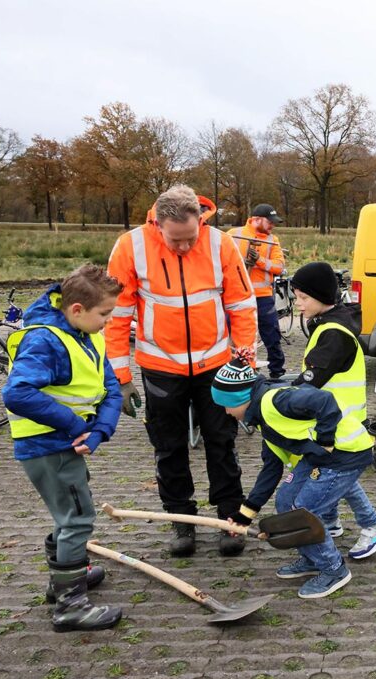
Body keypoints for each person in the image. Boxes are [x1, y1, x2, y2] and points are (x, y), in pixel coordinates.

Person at [106, 185, 258, 558]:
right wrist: (120, 380)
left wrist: (244, 365)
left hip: (217, 366)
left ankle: (229, 520)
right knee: (168, 447)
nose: (184, 247)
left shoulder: (221, 244)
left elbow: (241, 305)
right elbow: (116, 316)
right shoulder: (130, 247)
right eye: (176, 241)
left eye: (191, 238)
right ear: (158, 225)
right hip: (161, 368)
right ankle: (182, 521)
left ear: (201, 222)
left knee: (221, 442)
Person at [2, 264, 124, 632]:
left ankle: (65, 580)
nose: (108, 322)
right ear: (76, 310)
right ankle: (70, 605)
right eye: (104, 314)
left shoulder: (86, 334)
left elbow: (110, 386)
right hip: (48, 447)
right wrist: (75, 425)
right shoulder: (45, 341)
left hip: (68, 445)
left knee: (69, 514)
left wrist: (101, 428)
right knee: (77, 518)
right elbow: (17, 393)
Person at [210, 360, 371, 598]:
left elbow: (324, 400)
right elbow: (270, 471)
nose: (226, 412)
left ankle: (334, 569)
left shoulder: (276, 401)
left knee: (303, 511)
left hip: (346, 454)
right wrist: (245, 515)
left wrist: (326, 439)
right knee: (286, 502)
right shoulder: (264, 421)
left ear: (240, 398)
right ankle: (311, 558)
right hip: (319, 458)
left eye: (226, 405)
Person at [280, 260, 376, 555]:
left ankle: (372, 526)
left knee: (337, 476)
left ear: (322, 297)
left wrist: (277, 398)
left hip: (341, 423)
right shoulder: (331, 323)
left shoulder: (334, 334)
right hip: (339, 420)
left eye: (303, 298)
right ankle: (331, 520)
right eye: (296, 297)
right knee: (337, 475)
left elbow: (309, 383)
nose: (298, 304)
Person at [228, 203, 287, 379]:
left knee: (272, 335)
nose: (272, 226)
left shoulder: (272, 240)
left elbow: (279, 266)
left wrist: (259, 260)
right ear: (256, 219)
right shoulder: (233, 236)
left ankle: (277, 372)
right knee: (234, 336)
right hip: (236, 296)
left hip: (263, 297)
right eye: (270, 222)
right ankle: (236, 370)